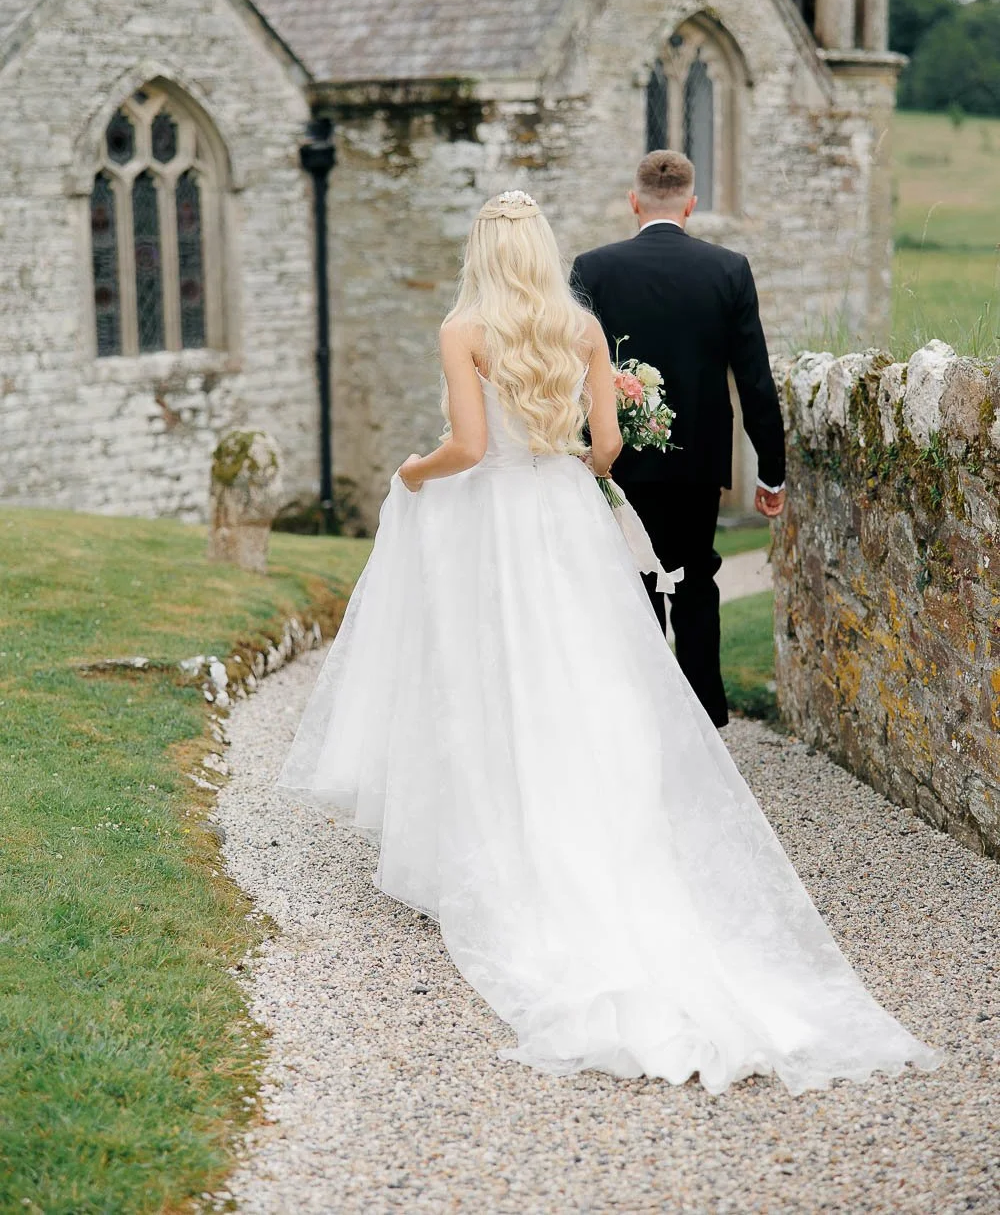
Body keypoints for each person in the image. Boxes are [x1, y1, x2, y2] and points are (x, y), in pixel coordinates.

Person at [277, 190, 938, 1095]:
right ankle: (604, 823)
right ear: (542, 248)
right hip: (562, 512)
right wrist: (556, 460)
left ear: (482, 248)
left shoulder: (463, 328)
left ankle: (494, 834)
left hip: (495, 517)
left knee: (489, 671)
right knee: (586, 671)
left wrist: (411, 471)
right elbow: (605, 448)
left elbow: (468, 447)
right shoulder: (579, 328)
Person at [571, 149, 786, 727]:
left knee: (629, 578)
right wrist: (772, 472)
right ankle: (703, 721)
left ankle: (631, 716)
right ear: (692, 204)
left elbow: (568, 374)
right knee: (694, 577)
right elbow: (756, 382)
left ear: (633, 201)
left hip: (613, 462)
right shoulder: (729, 270)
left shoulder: (592, 269)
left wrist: (573, 449)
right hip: (697, 464)